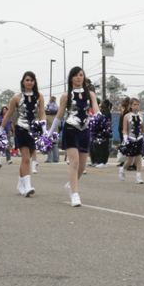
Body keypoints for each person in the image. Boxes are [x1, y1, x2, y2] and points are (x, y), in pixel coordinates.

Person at [51, 66, 100, 207]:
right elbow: (59, 115)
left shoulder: (90, 94)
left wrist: (100, 121)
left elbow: (96, 109)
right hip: (71, 129)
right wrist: (50, 133)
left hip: (85, 130)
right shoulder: (66, 95)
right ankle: (75, 194)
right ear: (71, 78)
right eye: (76, 75)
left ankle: (70, 186)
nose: (79, 77)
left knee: (82, 166)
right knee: (75, 162)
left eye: (81, 75)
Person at [2, 71, 46, 198]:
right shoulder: (17, 98)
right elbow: (9, 114)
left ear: (34, 82)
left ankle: (20, 184)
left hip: (34, 129)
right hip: (21, 129)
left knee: (30, 156)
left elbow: (42, 113)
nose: (29, 82)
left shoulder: (40, 96)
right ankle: (28, 186)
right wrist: (0, 130)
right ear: (23, 82)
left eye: (31, 80)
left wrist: (43, 127)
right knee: (26, 158)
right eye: (27, 80)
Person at [120, 98, 144, 184]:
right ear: (130, 106)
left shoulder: (141, 116)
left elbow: (143, 129)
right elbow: (124, 129)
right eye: (134, 105)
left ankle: (138, 177)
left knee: (139, 158)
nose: (136, 107)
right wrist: (125, 139)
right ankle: (123, 169)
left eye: (138, 105)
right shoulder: (127, 116)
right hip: (131, 139)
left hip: (139, 139)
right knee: (130, 160)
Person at [116, 97, 131, 166]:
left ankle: (128, 162)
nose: (122, 103)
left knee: (127, 147)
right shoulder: (123, 110)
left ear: (127, 103)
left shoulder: (128, 111)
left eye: (123, 102)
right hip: (121, 131)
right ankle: (123, 161)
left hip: (126, 132)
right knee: (123, 147)